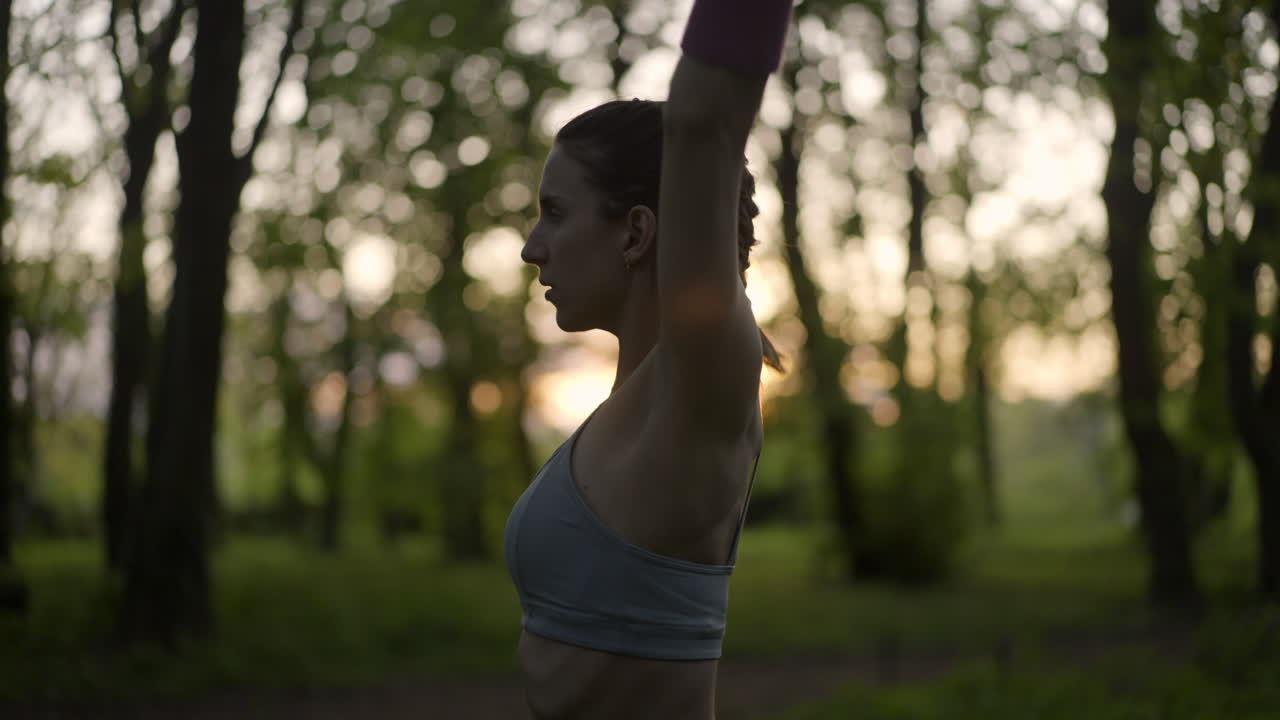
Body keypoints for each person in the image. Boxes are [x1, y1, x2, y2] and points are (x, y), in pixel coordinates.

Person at [504, 2, 793, 718]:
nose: (530, 247)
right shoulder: (634, 408)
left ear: (636, 231)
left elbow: (704, 124)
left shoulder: (702, 378)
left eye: (556, 212)